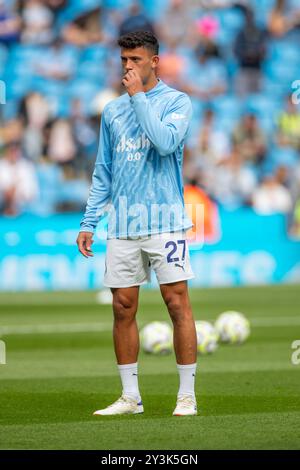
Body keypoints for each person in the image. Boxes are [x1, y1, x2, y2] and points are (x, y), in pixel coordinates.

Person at [76, 31, 198, 417]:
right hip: (123, 223)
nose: (128, 66)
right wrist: (89, 220)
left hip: (165, 221)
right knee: (122, 306)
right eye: (124, 60)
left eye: (135, 60)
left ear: (154, 61)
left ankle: (187, 395)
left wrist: (138, 98)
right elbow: (104, 171)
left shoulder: (177, 102)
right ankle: (131, 397)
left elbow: (164, 142)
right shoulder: (111, 111)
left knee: (176, 302)